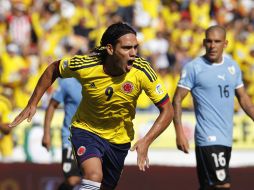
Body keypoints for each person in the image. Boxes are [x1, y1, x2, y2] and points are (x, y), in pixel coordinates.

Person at [9, 22, 174, 190]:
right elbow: (54, 68)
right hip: (86, 130)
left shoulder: (142, 70)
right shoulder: (87, 65)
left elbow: (167, 110)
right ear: (110, 49)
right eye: (126, 48)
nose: (133, 54)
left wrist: (146, 140)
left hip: (119, 139)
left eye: (135, 48)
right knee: (93, 176)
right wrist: (32, 103)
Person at [172, 25, 254, 190]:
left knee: (209, 185)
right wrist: (179, 132)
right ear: (203, 42)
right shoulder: (194, 68)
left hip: (226, 137)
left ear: (225, 43)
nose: (212, 45)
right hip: (208, 137)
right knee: (222, 184)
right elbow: (177, 100)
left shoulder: (233, 67)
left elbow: (243, 97)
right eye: (208, 41)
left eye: (217, 41)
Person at [42, 78, 82, 190]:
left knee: (93, 177)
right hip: (70, 137)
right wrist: (46, 134)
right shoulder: (67, 83)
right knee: (72, 180)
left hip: (92, 138)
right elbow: (52, 105)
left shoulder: (100, 81)